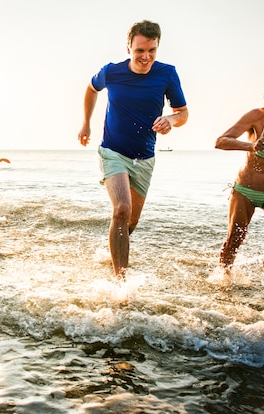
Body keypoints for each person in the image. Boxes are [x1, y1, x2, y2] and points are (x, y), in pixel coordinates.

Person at [78, 20, 189, 279]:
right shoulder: (112, 72)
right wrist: (85, 124)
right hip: (113, 151)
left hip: (145, 158)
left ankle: (114, 251)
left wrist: (170, 121)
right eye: (140, 50)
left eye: (152, 50)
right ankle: (121, 283)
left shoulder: (167, 74)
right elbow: (91, 89)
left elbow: (182, 113)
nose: (146, 57)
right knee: (121, 209)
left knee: (131, 221)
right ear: (128, 48)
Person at [215, 70, 264, 287]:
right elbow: (221, 141)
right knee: (234, 240)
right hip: (246, 190)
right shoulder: (258, 116)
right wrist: (251, 146)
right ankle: (223, 283)